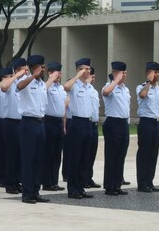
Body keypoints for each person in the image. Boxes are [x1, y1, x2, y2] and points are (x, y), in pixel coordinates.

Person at [15, 54, 51, 204]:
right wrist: (32, 76)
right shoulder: (25, 80)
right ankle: (27, 193)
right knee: (28, 159)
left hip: (40, 123)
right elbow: (19, 86)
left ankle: (36, 191)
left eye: (43, 67)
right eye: (41, 67)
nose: (43, 69)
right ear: (33, 68)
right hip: (28, 123)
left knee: (38, 159)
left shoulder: (42, 84)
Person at [62, 58, 96, 199]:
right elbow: (66, 87)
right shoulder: (75, 85)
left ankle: (81, 187)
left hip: (88, 123)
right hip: (76, 123)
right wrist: (77, 75)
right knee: (75, 157)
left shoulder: (89, 87)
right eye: (85, 69)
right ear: (79, 70)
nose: (88, 71)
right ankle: (73, 189)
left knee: (85, 158)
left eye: (88, 69)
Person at [101, 61, 131, 196]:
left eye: (125, 73)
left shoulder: (125, 89)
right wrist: (115, 80)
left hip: (124, 124)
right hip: (113, 123)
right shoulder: (109, 86)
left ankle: (117, 184)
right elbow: (106, 92)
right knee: (111, 156)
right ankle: (109, 185)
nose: (124, 75)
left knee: (120, 156)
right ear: (115, 73)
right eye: (121, 73)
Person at [0, 58, 27, 194]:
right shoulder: (11, 82)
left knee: (21, 155)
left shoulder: (26, 83)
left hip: (23, 122)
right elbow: (3, 87)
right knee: (12, 154)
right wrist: (15, 76)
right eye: (24, 70)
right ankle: (10, 183)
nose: (26, 72)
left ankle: (18, 181)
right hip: (11, 122)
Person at [135, 61, 159, 193]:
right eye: (154, 72)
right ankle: (142, 183)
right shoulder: (141, 87)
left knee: (153, 154)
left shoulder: (158, 88)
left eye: (158, 72)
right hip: (146, 122)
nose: (157, 75)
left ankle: (149, 181)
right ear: (148, 73)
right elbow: (143, 95)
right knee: (144, 153)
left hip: (156, 123)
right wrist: (148, 82)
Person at [41, 62, 66, 191]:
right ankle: (46, 182)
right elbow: (42, 90)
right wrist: (51, 78)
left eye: (60, 73)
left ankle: (54, 181)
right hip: (49, 121)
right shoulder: (47, 86)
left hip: (58, 122)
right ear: (50, 73)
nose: (59, 75)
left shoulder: (60, 88)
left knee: (57, 154)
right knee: (48, 153)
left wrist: (63, 125)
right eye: (57, 72)